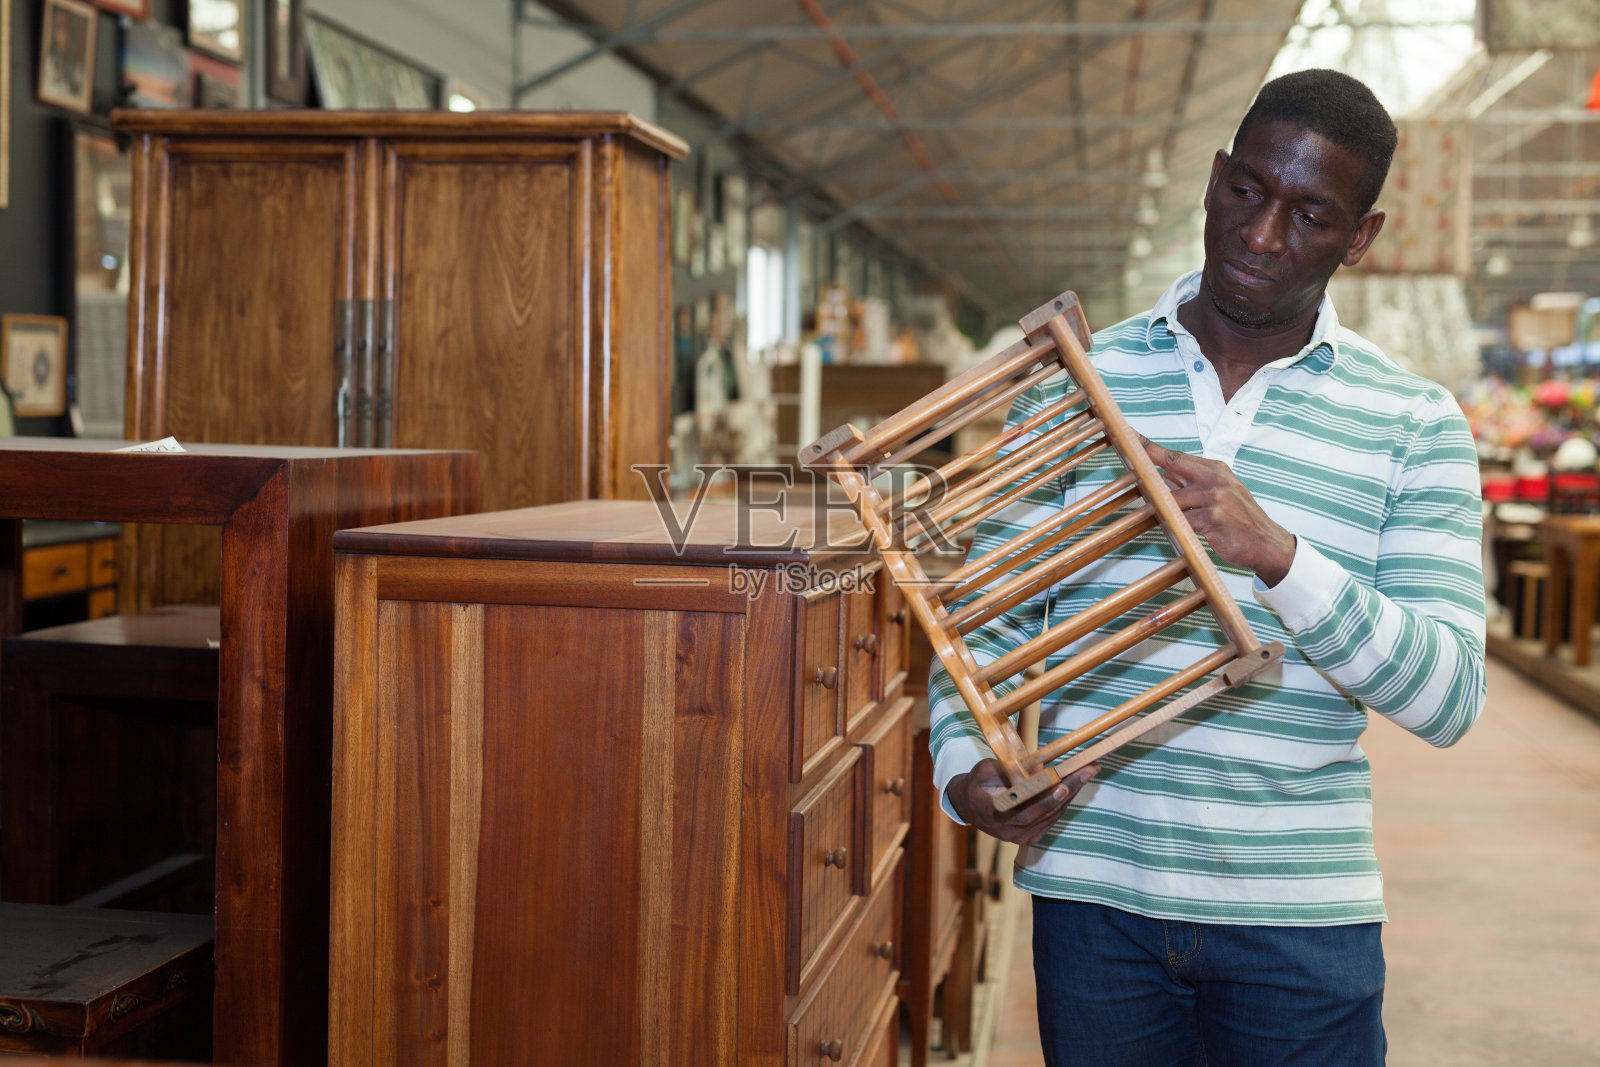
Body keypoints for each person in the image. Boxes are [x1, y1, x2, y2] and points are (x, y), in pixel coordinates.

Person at [928, 68, 1486, 1066]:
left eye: (1309, 213)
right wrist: (963, 769)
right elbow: (985, 626)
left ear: (1360, 237)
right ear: (1215, 177)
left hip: (1300, 923)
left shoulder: (1412, 422)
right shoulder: (1077, 387)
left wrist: (1278, 555)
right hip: (1097, 905)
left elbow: (1448, 693)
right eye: (1246, 191)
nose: (1262, 234)